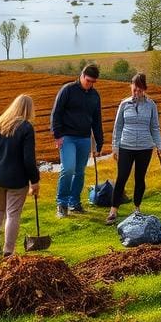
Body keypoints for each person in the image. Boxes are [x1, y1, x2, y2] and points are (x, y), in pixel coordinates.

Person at [0, 94, 40, 260]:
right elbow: (28, 159)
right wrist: (34, 181)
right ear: (29, 109)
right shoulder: (26, 127)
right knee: (13, 214)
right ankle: (8, 251)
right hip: (16, 179)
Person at [105, 72, 161, 224]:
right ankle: (113, 210)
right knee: (122, 177)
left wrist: (159, 146)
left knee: (140, 178)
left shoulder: (151, 105)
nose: (137, 93)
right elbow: (118, 127)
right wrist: (115, 147)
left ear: (145, 89)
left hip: (145, 147)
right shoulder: (124, 104)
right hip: (126, 146)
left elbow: (155, 127)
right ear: (131, 87)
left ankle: (137, 208)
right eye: (134, 90)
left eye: (140, 90)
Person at [51, 63, 104, 218]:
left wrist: (99, 142)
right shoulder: (67, 90)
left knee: (79, 172)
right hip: (67, 137)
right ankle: (62, 204)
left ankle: (75, 203)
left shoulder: (95, 96)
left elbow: (97, 120)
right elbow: (56, 113)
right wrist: (57, 136)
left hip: (84, 138)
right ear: (81, 76)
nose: (90, 85)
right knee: (68, 169)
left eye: (93, 82)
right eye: (88, 81)